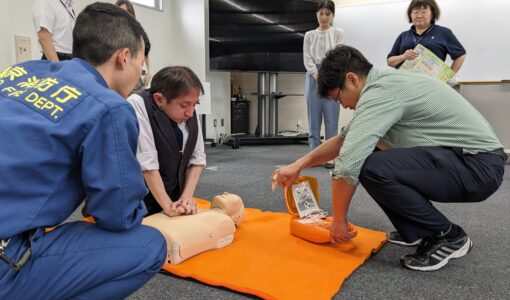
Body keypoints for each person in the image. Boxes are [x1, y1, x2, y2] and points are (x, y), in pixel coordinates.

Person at [273, 45, 506, 272]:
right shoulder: (383, 84)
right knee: (371, 155)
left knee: (371, 166)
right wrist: (297, 166)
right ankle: (418, 230)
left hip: (477, 167)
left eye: (339, 97)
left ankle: (448, 236)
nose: (342, 104)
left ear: (352, 79)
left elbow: (348, 163)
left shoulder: (381, 93)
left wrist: (339, 220)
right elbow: (345, 140)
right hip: (466, 160)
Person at [0, 3, 166, 298]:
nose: (139, 77)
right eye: (141, 67)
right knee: (149, 245)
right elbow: (117, 215)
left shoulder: (17, 73)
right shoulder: (110, 107)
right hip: (5, 254)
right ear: (124, 58)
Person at [127, 66, 206, 217]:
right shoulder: (137, 103)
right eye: (184, 105)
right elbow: (147, 163)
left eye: (195, 104)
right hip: (139, 202)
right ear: (159, 99)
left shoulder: (189, 109)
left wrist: (186, 198)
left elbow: (197, 158)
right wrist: (168, 207)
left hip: (174, 198)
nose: (190, 112)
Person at [303, 0, 345, 168]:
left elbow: (339, 54)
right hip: (312, 76)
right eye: (321, 13)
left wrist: (326, 73)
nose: (324, 17)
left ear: (333, 15)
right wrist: (315, 73)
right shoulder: (309, 35)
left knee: (331, 118)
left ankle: (330, 155)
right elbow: (307, 57)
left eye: (328, 13)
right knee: (313, 118)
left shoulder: (338, 32)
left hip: (332, 75)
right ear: (316, 14)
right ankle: (314, 154)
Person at [387, 0, 466, 74]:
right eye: (415, 12)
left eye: (424, 12)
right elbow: (390, 62)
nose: (419, 15)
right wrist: (403, 56)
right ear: (410, 15)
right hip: (405, 83)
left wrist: (447, 77)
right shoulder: (403, 35)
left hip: (430, 84)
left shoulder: (443, 32)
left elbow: (460, 55)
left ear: (432, 14)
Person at [115, 0, 153, 89]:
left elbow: (146, 53)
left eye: (127, 13)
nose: (123, 16)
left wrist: (150, 72)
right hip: (117, 76)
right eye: (120, 12)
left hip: (135, 78)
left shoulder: (137, 30)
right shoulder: (110, 30)